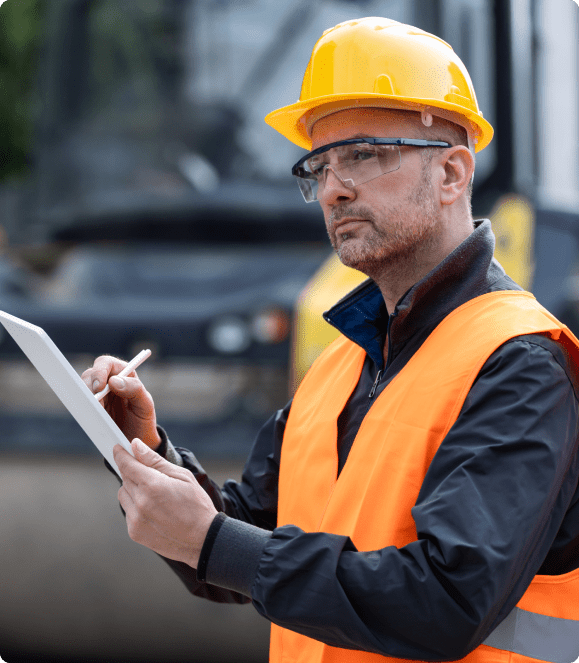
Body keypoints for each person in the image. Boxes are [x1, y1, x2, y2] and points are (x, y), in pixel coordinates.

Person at [82, 17, 579, 662]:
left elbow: (447, 602)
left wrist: (212, 542)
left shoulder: (523, 365)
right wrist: (143, 446)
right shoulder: (341, 367)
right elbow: (243, 542)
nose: (334, 188)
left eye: (365, 155)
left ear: (454, 173)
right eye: (318, 164)